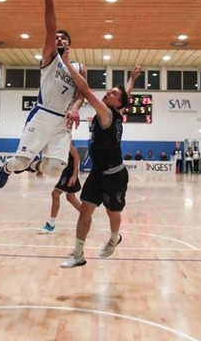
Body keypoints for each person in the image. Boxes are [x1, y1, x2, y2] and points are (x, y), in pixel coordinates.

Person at [0, 0, 85, 188]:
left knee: (55, 170)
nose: (60, 39)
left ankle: (35, 165)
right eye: (57, 38)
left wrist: (75, 108)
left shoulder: (79, 67)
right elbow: (50, 29)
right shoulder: (49, 59)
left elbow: (81, 93)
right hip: (43, 114)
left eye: (64, 38)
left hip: (63, 121)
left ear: (70, 44)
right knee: (18, 163)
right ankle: (7, 168)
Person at [59, 50, 141, 269]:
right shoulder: (118, 110)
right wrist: (131, 80)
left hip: (114, 175)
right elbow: (127, 95)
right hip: (97, 173)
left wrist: (67, 63)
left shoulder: (107, 113)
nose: (108, 92)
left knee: (112, 213)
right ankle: (77, 254)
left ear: (116, 101)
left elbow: (84, 90)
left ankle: (115, 237)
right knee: (86, 209)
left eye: (113, 92)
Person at [38, 143, 81, 234]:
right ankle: (87, 216)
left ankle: (51, 224)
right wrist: (42, 169)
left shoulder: (66, 141)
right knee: (70, 197)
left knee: (55, 194)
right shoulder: (52, 142)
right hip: (65, 172)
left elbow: (76, 157)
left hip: (69, 173)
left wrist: (74, 176)